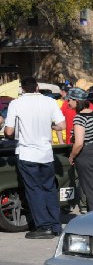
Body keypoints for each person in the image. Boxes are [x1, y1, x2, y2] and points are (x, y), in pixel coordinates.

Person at [4, 76, 66, 238]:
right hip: (46, 153)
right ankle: (55, 225)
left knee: (34, 190)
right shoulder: (50, 102)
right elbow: (62, 125)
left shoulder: (16, 103)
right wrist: (49, 125)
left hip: (27, 152)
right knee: (49, 189)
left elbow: (9, 131)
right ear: (37, 87)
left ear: (22, 89)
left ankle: (43, 226)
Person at [67, 87, 93, 212]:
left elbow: (78, 143)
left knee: (91, 191)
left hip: (87, 155)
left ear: (76, 101)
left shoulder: (79, 118)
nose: (68, 103)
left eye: (70, 100)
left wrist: (71, 156)